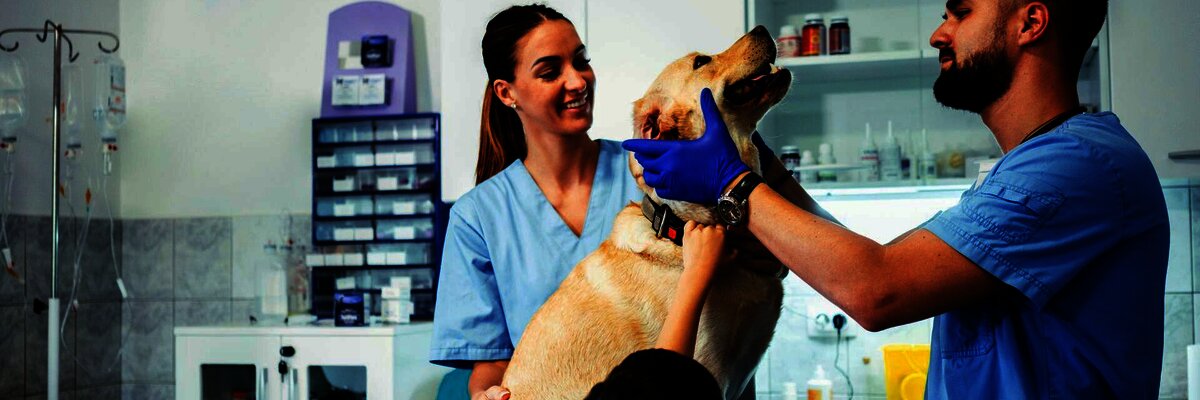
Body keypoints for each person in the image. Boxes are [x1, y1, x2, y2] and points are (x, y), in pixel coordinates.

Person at [624, 0, 1170, 398]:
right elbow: (867, 257)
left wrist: (732, 183)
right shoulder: (1028, 167)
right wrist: (748, 149)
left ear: (1030, 22)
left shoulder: (1075, 167)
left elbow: (876, 289)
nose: (938, 33)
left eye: (960, 13)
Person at [428, 5, 642, 400]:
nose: (578, 81)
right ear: (507, 93)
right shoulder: (478, 217)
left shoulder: (645, 174)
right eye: (550, 72)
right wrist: (486, 395)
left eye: (582, 61)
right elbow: (492, 362)